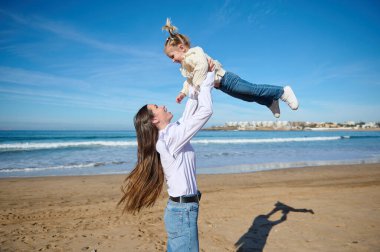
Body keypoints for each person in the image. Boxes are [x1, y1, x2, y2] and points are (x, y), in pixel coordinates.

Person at [118, 61, 215, 251]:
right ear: (154, 119)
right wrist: (209, 77)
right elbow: (206, 111)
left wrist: (194, 83)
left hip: (181, 211)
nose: (163, 105)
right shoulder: (169, 139)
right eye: (157, 107)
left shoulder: (172, 133)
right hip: (182, 212)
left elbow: (190, 112)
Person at [162, 18, 299, 118]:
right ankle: (269, 101)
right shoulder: (186, 65)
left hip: (227, 79)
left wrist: (198, 87)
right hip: (221, 86)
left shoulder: (194, 53)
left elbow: (202, 66)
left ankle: (282, 92)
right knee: (247, 97)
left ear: (181, 48)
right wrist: (183, 92)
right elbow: (189, 81)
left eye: (172, 56)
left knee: (252, 89)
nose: (173, 60)